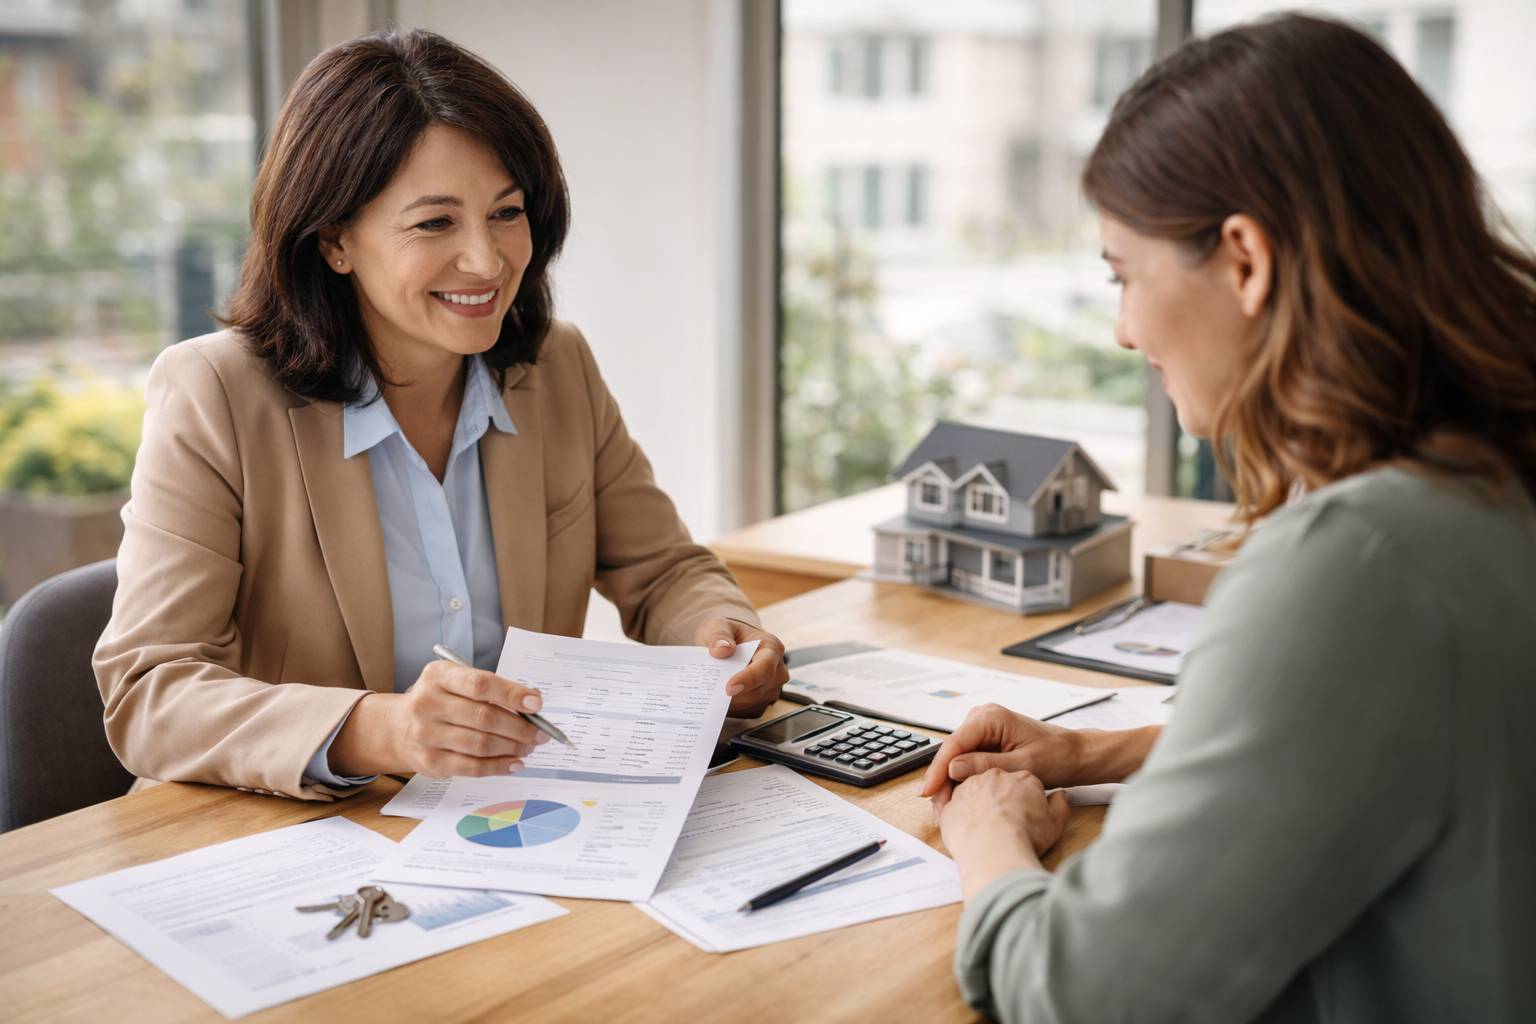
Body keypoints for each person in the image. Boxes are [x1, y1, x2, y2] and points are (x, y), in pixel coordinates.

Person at [919, 15, 1536, 1023]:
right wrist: (1091, 754)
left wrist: (986, 832)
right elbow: (1379, 744)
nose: (1124, 331)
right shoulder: (1487, 476)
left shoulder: (1359, 561)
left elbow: (1088, 992)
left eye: (1125, 275)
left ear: (1245, 260)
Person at [93, 30, 788, 801]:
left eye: (506, 213)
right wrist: (383, 730)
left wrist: (724, 640)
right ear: (334, 242)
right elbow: (149, 692)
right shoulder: (214, 394)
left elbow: (663, 570)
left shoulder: (555, 368)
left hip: (517, 816)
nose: (488, 262)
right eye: (435, 224)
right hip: (297, 837)